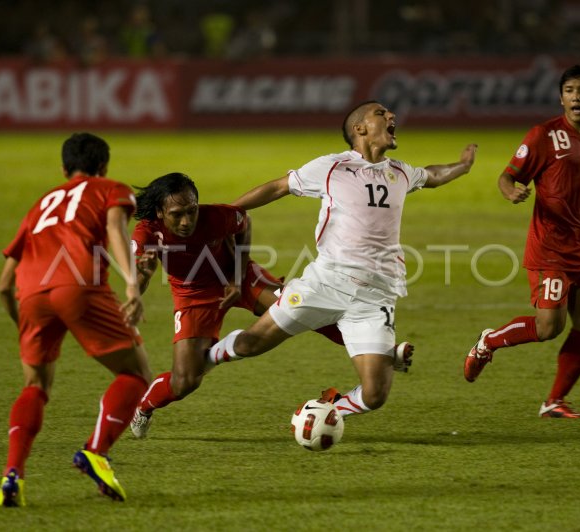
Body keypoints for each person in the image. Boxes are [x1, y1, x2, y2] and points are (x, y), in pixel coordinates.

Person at [204, 101, 476, 419]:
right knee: (252, 343)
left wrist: (462, 166)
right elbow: (279, 187)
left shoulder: (400, 171)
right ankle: (207, 358)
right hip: (326, 282)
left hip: (376, 297)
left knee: (375, 395)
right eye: (381, 113)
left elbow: (432, 175)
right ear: (359, 129)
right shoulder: (333, 167)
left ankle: (324, 412)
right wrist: (223, 218)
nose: (392, 117)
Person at [127, 172, 413, 437]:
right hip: (194, 296)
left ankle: (383, 352)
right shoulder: (146, 235)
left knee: (301, 305)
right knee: (185, 380)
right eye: (177, 215)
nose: (187, 221)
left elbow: (244, 222)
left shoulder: (214, 216)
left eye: (192, 210)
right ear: (160, 212)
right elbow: (140, 276)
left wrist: (238, 277)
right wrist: (136, 291)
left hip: (241, 279)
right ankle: (143, 406)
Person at [463, 64, 580, 418]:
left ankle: (554, 401)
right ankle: (489, 341)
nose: (577, 96)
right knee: (548, 328)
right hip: (551, 249)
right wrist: (511, 192)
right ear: (561, 98)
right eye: (570, 90)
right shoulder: (542, 136)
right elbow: (506, 176)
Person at [0, 133, 152, 506]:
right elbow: (115, 228)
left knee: (35, 385)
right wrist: (132, 285)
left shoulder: (41, 204)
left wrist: (25, 324)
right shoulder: (110, 188)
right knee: (135, 374)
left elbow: (3, 285)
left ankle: (12, 474)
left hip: (30, 295)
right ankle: (95, 451)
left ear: (64, 169)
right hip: (79, 286)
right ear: (104, 167)